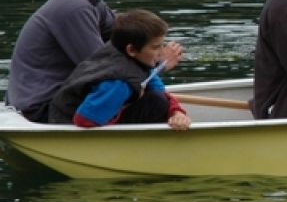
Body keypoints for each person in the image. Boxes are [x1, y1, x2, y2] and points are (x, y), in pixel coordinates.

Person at [7, 0, 182, 123]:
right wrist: (159, 63)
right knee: (155, 104)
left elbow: (127, 38)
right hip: (43, 109)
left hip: (57, 100)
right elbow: (104, 70)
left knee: (150, 95)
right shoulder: (74, 8)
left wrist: (151, 47)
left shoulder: (91, 2)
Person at [48, 9, 190, 130]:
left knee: (158, 99)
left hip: (79, 111)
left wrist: (176, 112)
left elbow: (160, 92)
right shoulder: (119, 83)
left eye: (161, 45)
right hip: (66, 123)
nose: (161, 52)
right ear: (132, 50)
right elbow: (84, 120)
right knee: (156, 103)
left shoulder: (136, 60)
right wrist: (120, 108)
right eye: (155, 47)